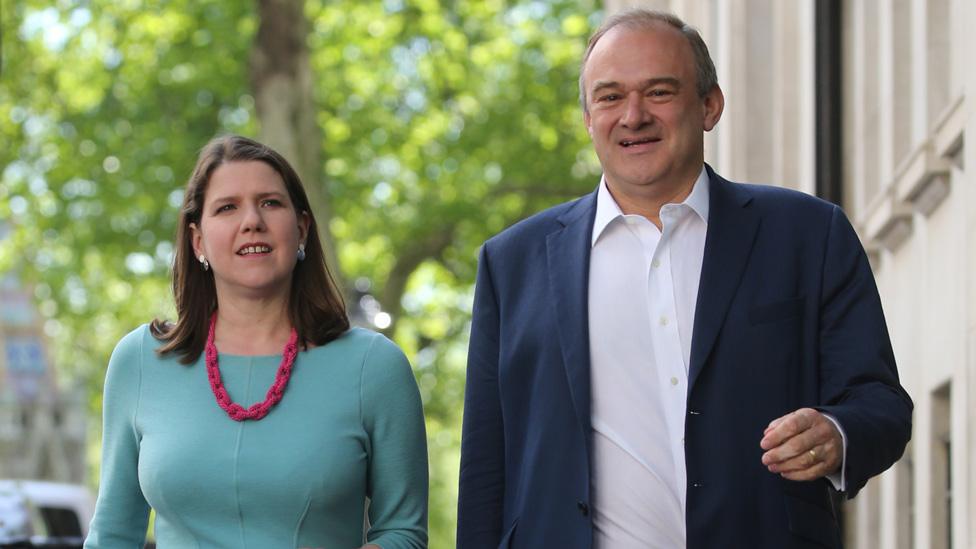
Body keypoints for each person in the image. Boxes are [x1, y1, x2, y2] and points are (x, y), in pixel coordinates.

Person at [457, 9, 911, 549]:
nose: (632, 116)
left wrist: (835, 435)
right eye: (609, 97)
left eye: (659, 92)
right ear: (586, 116)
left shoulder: (808, 234)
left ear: (710, 105)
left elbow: (880, 403)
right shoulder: (512, 263)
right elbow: (486, 468)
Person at [85, 135, 428, 548]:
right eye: (227, 207)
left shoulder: (375, 367)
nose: (252, 221)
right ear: (198, 241)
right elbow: (112, 535)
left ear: (301, 228)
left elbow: (403, 533)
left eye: (270, 203)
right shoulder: (139, 361)